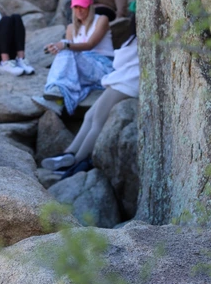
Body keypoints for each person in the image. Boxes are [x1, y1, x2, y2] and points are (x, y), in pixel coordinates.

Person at [41, 20, 139, 176]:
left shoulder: (137, 41)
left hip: (126, 84)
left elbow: (119, 61)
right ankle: (69, 153)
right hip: (123, 82)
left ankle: (75, 162)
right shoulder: (137, 40)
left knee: (97, 122)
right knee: (89, 116)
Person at [32, 0, 114, 116]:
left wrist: (63, 45)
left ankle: (55, 91)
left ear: (90, 7)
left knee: (66, 46)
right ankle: (58, 100)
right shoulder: (71, 27)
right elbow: (68, 50)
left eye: (82, 6)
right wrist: (55, 47)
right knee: (65, 49)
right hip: (84, 67)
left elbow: (89, 45)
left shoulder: (101, 20)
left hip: (102, 66)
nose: (79, 10)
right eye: (76, 7)